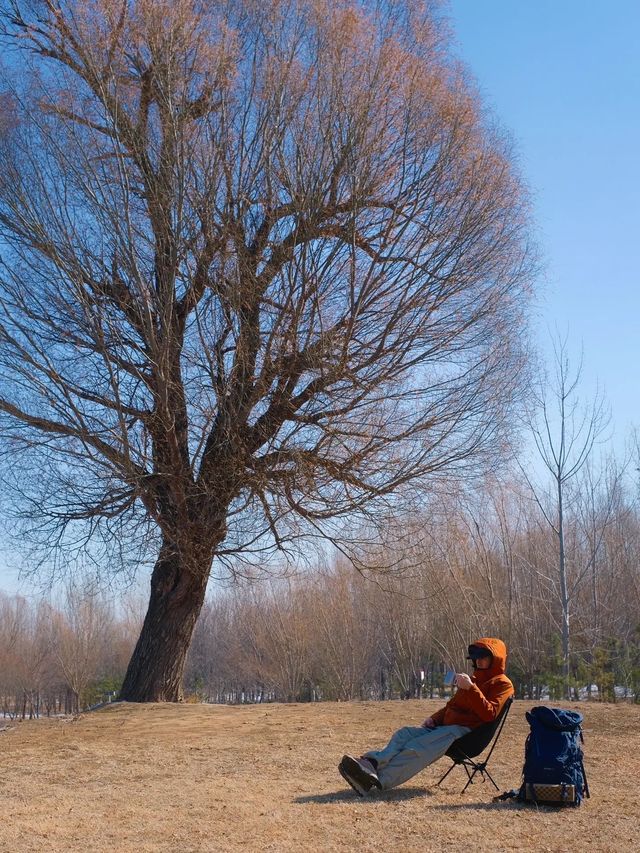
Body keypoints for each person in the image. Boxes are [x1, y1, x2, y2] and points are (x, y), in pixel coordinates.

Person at [338, 637, 514, 796]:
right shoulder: (472, 680)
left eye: (483, 657)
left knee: (417, 748)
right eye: (476, 657)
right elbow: (451, 706)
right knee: (405, 734)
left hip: (466, 734)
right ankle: (371, 763)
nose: (478, 661)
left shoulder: (502, 684)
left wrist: (471, 689)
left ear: (495, 659)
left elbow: (489, 714)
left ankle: (379, 779)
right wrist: (435, 719)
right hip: (445, 727)